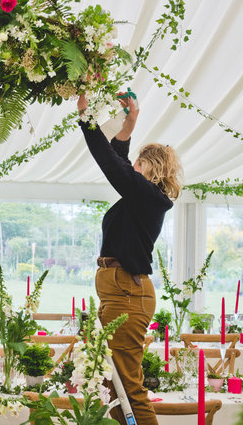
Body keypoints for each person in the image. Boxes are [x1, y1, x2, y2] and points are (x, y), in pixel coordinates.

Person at [78, 93, 181, 425]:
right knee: (112, 385)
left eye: (137, 164)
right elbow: (119, 161)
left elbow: (111, 162)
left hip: (128, 294)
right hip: (117, 293)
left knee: (129, 388)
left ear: (149, 168)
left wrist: (86, 119)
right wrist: (129, 124)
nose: (130, 168)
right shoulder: (141, 198)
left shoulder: (150, 198)